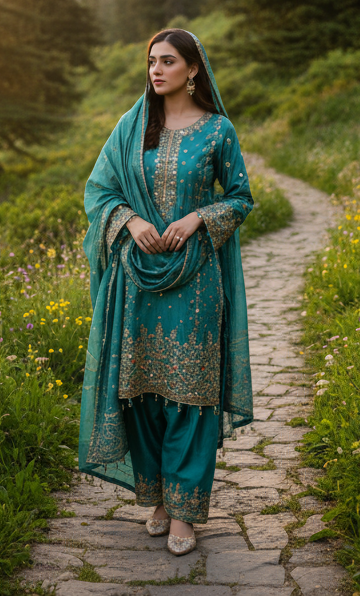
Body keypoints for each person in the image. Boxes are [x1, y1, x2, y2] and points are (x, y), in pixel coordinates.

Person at [79, 28, 254, 556]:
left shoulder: (218, 131)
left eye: (168, 61)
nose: (156, 70)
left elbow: (241, 198)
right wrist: (129, 222)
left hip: (196, 281)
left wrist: (200, 217)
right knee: (145, 396)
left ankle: (185, 512)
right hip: (136, 279)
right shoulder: (134, 128)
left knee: (191, 396)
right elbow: (99, 190)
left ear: (193, 69)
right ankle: (156, 498)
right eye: (151, 62)